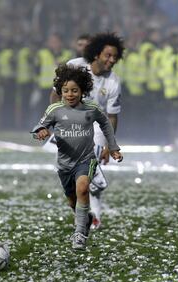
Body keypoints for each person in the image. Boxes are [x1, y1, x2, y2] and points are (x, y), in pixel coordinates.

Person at [32, 64, 123, 250]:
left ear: (83, 91)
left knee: (82, 189)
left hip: (86, 160)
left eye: (74, 90)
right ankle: (86, 217)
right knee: (72, 200)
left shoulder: (91, 108)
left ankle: (80, 235)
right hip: (65, 164)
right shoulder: (55, 110)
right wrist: (40, 132)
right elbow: (38, 127)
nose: (70, 94)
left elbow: (106, 124)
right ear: (60, 91)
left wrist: (112, 147)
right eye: (65, 91)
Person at [50, 32, 125, 229]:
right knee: (70, 179)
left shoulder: (113, 82)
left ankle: (95, 217)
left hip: (96, 128)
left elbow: (111, 116)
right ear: (96, 54)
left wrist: (110, 144)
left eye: (115, 57)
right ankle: (83, 212)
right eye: (108, 55)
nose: (112, 60)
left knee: (88, 178)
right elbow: (55, 94)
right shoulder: (75, 66)